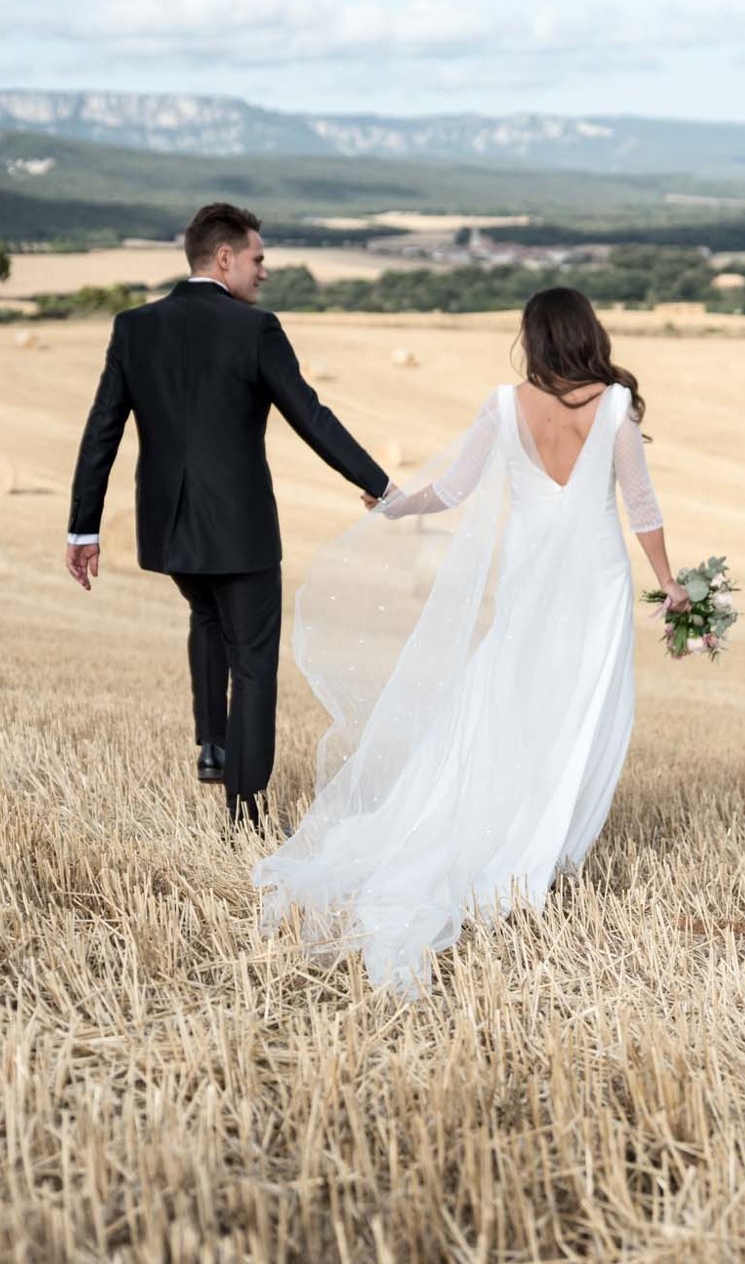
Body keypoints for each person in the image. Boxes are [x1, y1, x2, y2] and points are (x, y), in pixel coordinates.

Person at [253, 287, 687, 993]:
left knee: (514, 702)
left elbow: (452, 489)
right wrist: (669, 584)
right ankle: (542, 851)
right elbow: (642, 505)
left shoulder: (505, 404)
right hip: (595, 579)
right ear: (588, 333)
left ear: (534, 338)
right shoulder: (614, 408)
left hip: (530, 577)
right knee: (582, 713)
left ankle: (515, 833)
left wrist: (395, 504)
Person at [65, 202, 389, 823]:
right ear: (225, 258)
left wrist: (83, 527)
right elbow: (311, 416)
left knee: (205, 614)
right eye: (257, 258)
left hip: (170, 528)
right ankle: (246, 807)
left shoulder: (134, 326)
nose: (263, 272)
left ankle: (214, 745)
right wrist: (379, 483)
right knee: (255, 659)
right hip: (240, 530)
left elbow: (100, 432)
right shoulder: (256, 329)